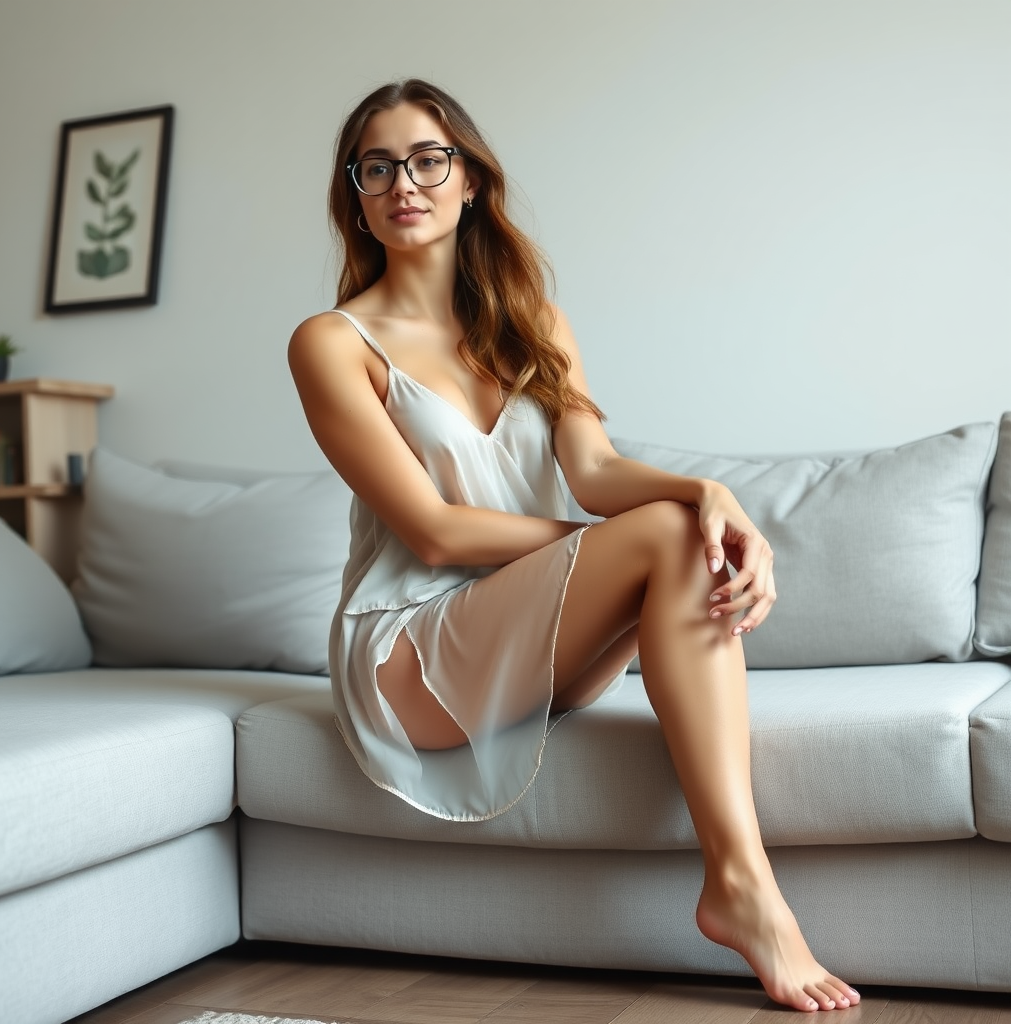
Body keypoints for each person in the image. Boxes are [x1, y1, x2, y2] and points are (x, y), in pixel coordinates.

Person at [289, 78, 860, 1014]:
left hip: (527, 632)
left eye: (429, 159)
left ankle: (736, 882)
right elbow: (432, 534)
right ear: (354, 193)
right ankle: (746, 889)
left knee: (684, 530)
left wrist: (705, 491)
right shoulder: (331, 342)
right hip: (407, 654)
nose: (406, 182)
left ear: (470, 179)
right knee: (667, 540)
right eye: (377, 166)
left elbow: (594, 470)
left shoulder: (535, 324)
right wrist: (623, 542)